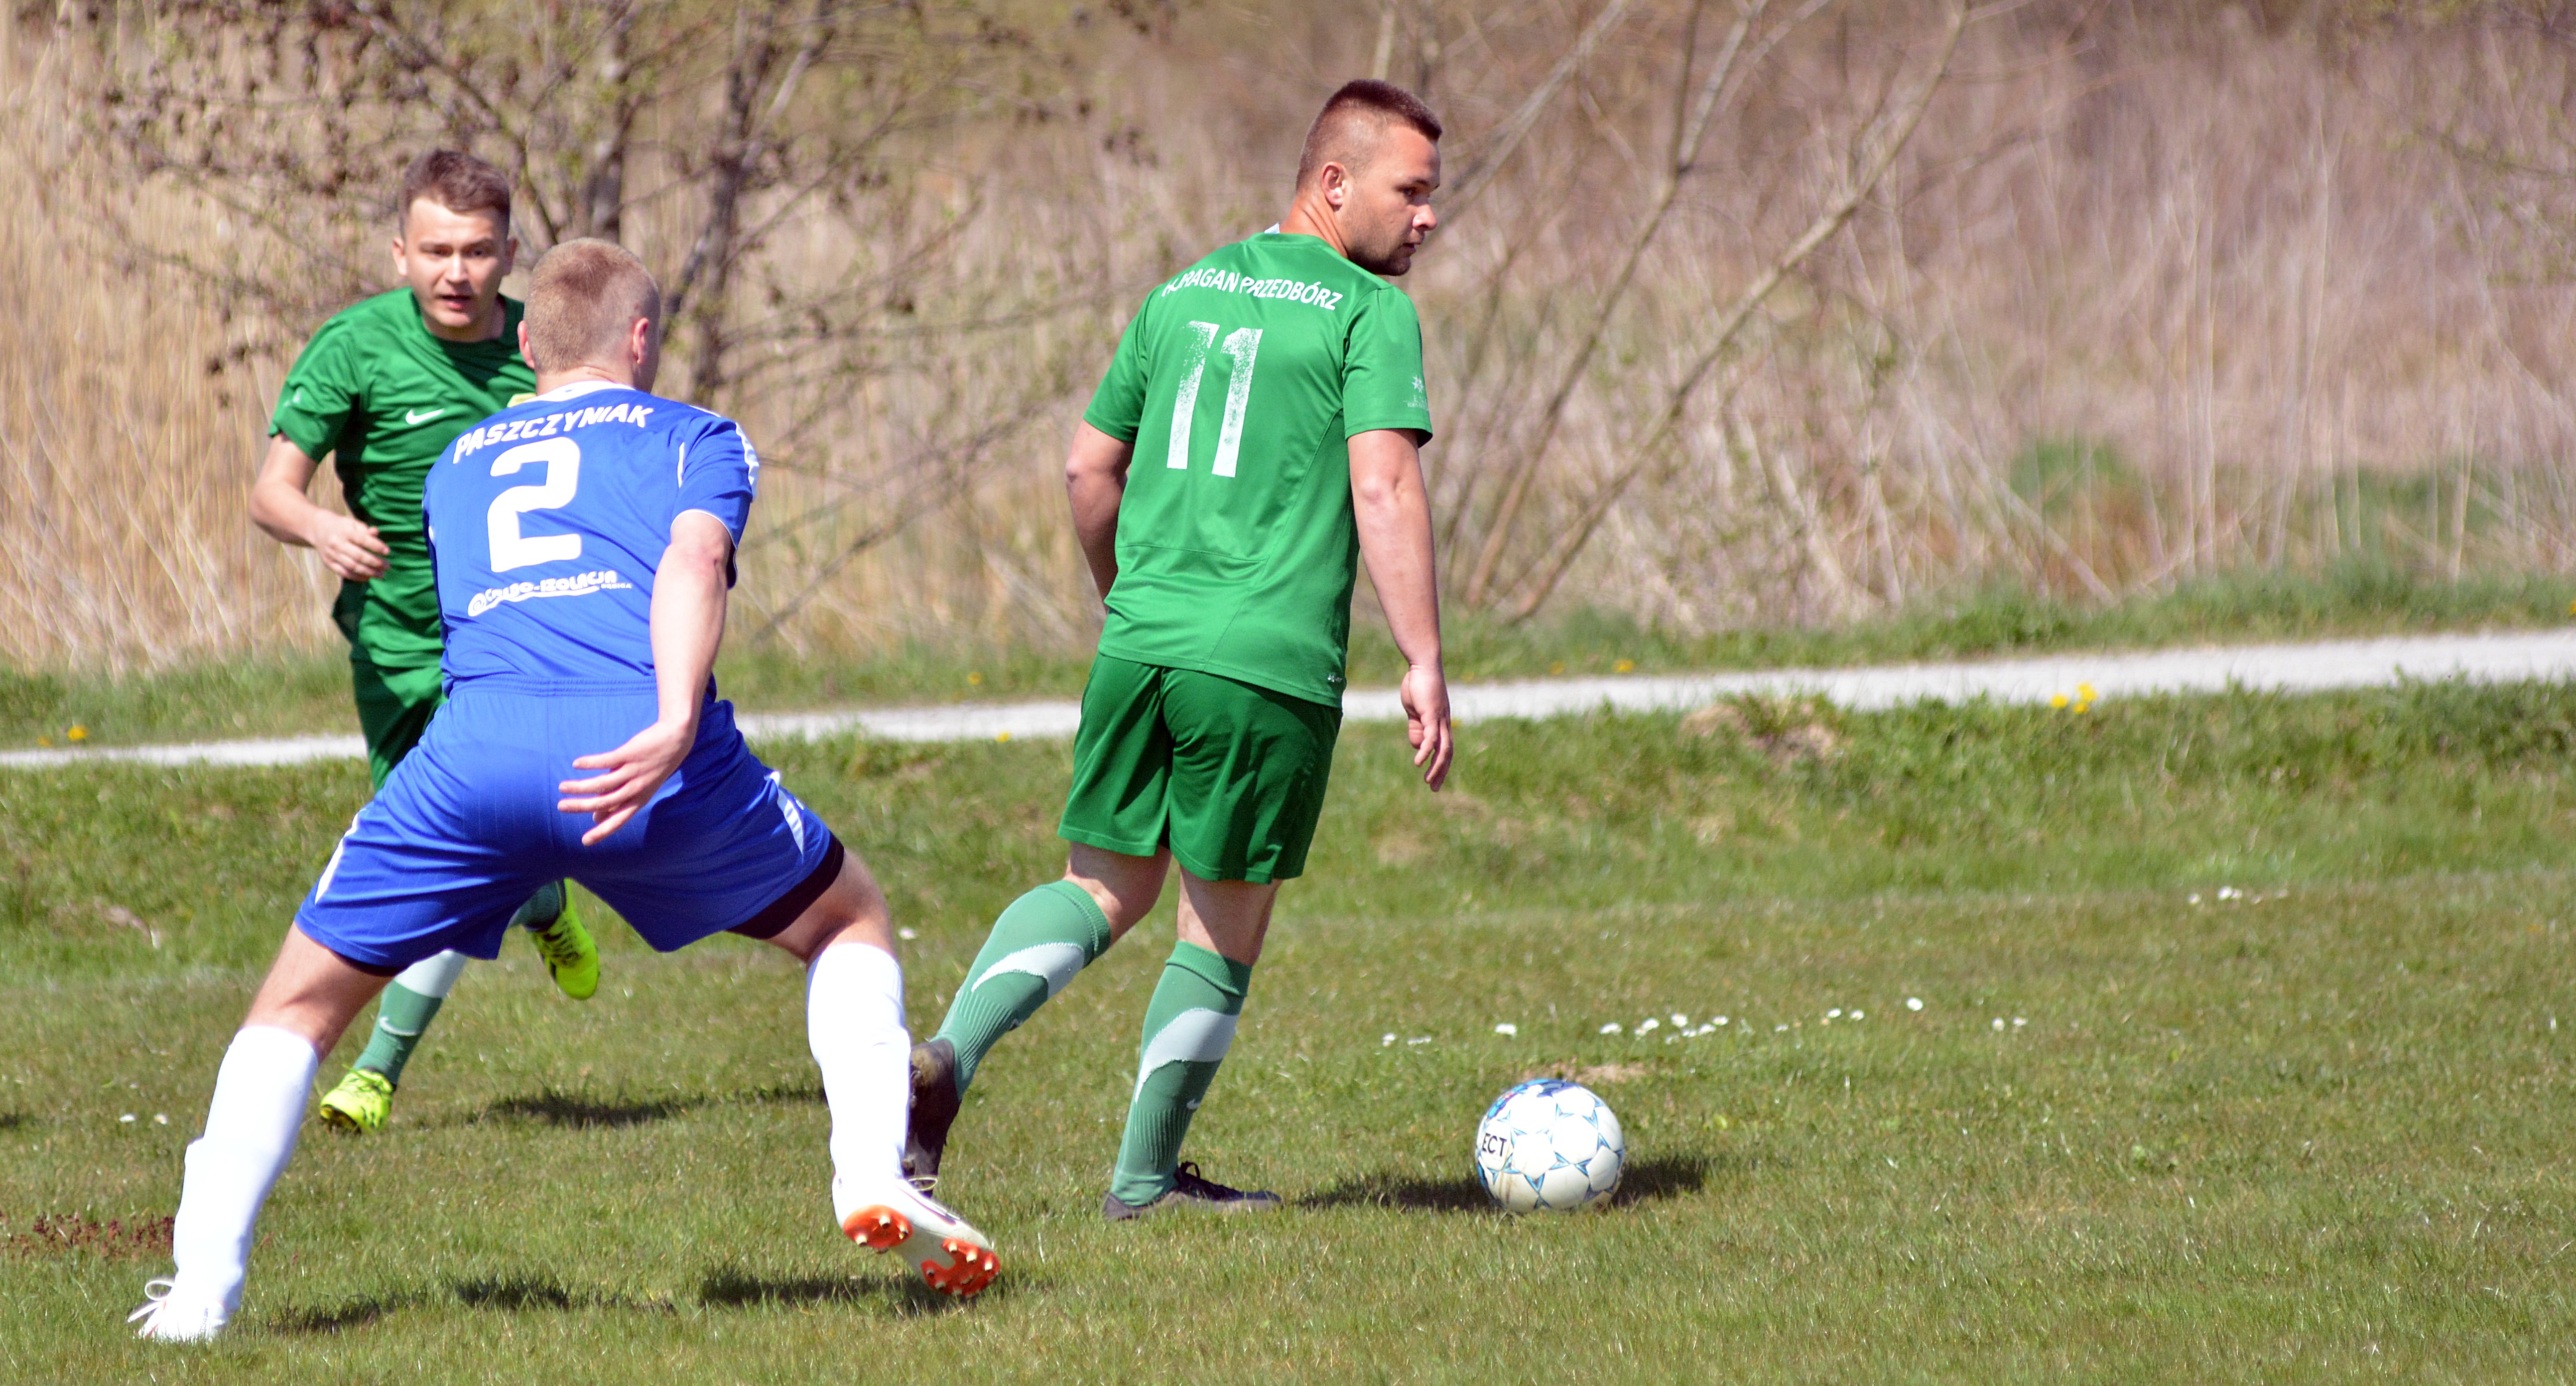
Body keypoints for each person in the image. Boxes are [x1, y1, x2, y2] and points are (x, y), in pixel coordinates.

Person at [129, 240, 997, 1342]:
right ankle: (873, 1172)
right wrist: (674, 719)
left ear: (529, 343)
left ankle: (197, 1299)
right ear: (641, 339)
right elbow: (692, 562)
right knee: (848, 919)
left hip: (473, 762)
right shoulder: (700, 436)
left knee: (295, 1009)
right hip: (641, 756)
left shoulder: (457, 463)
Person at [903, 80, 1455, 1219]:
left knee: (1100, 887)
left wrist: (1127, 599)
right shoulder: (1368, 311)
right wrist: (1423, 656)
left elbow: (1085, 467)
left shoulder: (1182, 291)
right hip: (1263, 662)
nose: (1428, 216)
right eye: (1411, 191)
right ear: (1334, 183)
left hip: (1141, 642)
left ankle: (948, 1054)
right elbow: (1385, 485)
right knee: (1224, 924)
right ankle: (1144, 1184)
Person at [248, 150, 602, 1135]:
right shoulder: (355, 345)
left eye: (478, 251)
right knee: (461, 852)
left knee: (466, 846)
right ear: (400, 251)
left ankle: (375, 1072)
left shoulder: (544, 354)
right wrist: (321, 529)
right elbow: (271, 493)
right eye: (437, 250)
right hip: (395, 646)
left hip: (515, 650)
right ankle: (542, 903)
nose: (457, 272)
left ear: (510, 254)